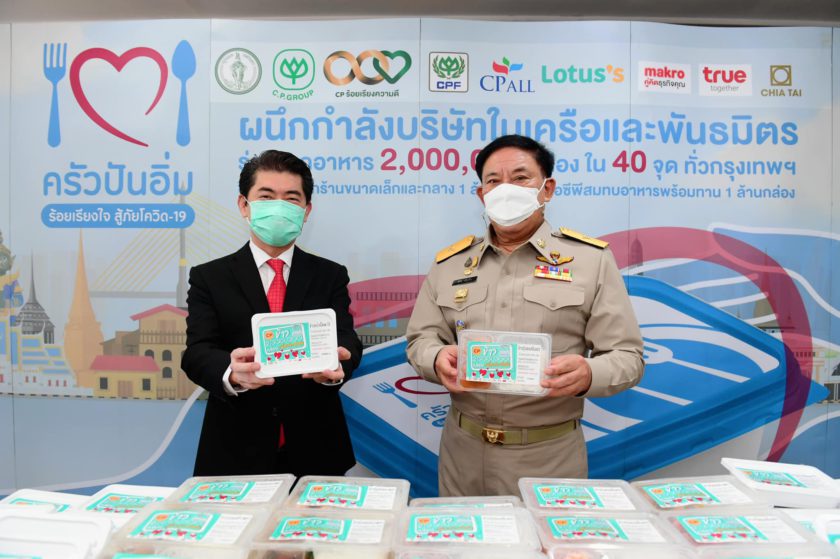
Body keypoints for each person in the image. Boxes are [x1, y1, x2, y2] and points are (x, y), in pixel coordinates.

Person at [406, 135, 644, 496]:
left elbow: (627, 357)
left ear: (547, 189)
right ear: (482, 194)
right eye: (493, 180)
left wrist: (588, 373)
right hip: (462, 453)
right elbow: (420, 340)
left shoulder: (591, 261)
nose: (506, 189)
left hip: (549, 457)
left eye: (520, 178)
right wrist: (436, 358)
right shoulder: (450, 264)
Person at [182, 149, 362, 477]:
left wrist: (339, 364)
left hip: (317, 447)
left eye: (291, 198)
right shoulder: (210, 277)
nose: (279, 207)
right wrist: (231, 372)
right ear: (244, 205)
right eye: (266, 197)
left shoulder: (330, 275)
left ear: (306, 211)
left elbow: (347, 339)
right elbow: (197, 352)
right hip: (234, 449)